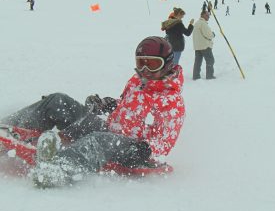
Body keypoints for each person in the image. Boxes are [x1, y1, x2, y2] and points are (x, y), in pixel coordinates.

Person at [1, 36, 186, 187]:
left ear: (167, 64)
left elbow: (165, 141)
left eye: (152, 64)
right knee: (58, 101)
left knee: (98, 140)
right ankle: (9, 128)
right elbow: (126, 105)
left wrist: (145, 150)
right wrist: (106, 104)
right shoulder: (137, 81)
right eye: (141, 63)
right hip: (110, 130)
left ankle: (57, 169)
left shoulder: (171, 102)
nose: (145, 70)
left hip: (133, 148)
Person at [192, 10, 216, 80]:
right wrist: (213, 34)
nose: (208, 17)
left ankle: (196, 76)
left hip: (197, 46)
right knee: (210, 60)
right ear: (202, 15)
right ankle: (209, 76)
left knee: (198, 61)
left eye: (209, 15)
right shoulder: (203, 23)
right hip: (205, 45)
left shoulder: (197, 23)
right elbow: (208, 35)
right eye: (207, 15)